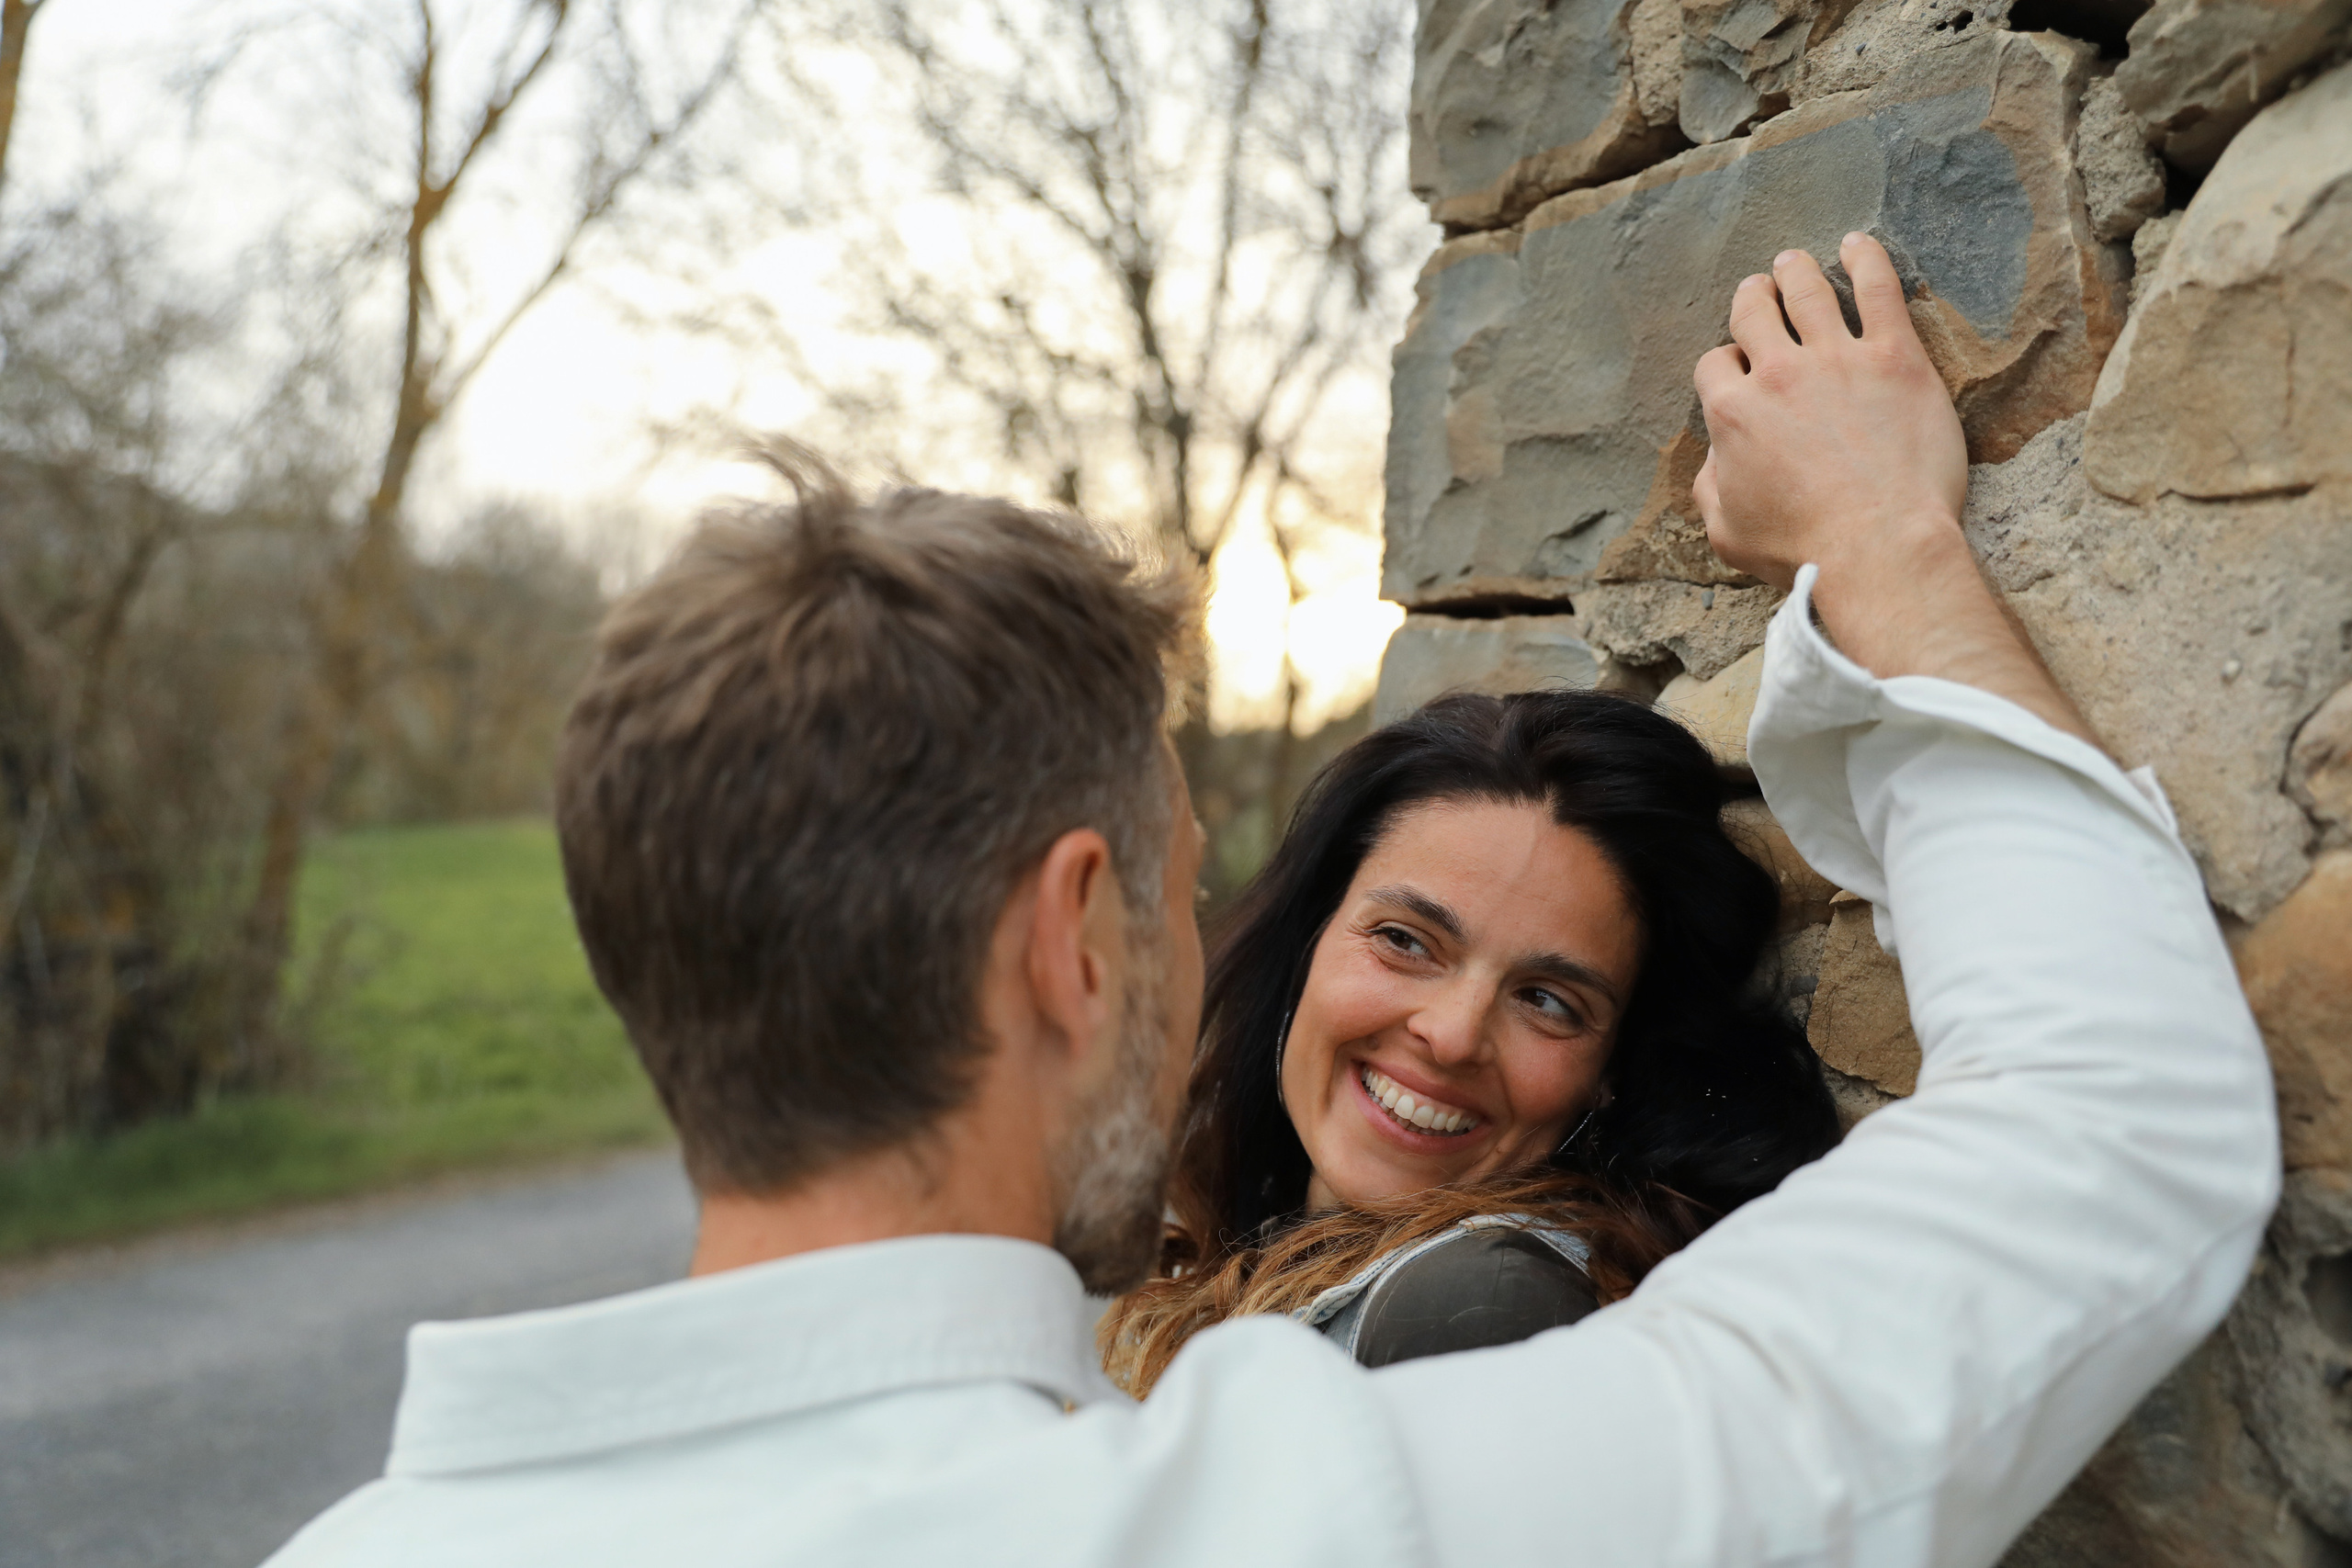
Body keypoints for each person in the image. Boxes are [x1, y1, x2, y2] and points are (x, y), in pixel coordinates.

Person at [262, 235, 2277, 1568]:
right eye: (1179, 881)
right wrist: (1879, 539)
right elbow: (2116, 1122)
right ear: (1073, 935)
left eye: (1550, 993)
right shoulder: (1303, 1516)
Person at [1100, 689, 1841, 1393]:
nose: (1452, 1035)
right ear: (1309, 940)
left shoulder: (1478, 1307)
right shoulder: (1209, 1223)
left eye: (1547, 1000)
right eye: (1404, 941)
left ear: (1612, 1066)